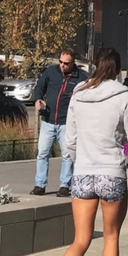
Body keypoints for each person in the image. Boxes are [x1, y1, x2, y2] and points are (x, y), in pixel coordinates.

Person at [46, 47, 128, 256]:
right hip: (111, 173)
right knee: (110, 236)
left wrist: (81, 157)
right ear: (118, 68)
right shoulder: (123, 96)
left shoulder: (78, 94)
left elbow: (70, 141)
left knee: (81, 239)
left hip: (84, 173)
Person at [32, 49, 88, 197]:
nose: (62, 66)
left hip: (66, 122)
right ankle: (40, 184)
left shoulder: (81, 77)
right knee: (42, 153)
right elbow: (39, 87)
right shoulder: (51, 72)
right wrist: (38, 99)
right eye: (61, 62)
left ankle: (64, 185)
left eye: (66, 63)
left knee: (67, 155)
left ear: (73, 62)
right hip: (48, 120)